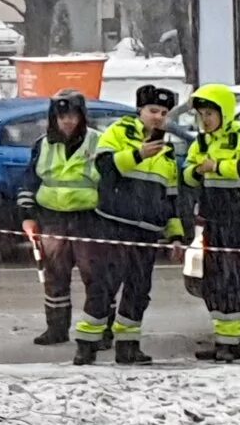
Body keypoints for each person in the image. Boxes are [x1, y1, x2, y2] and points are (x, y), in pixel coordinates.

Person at [77, 84, 187, 365]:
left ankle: (128, 346)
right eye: (152, 111)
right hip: (115, 224)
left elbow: (171, 196)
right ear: (140, 111)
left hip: (148, 231)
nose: (158, 117)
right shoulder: (118, 132)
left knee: (138, 291)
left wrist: (175, 234)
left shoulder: (167, 150)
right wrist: (138, 154)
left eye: (163, 112)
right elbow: (104, 168)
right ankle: (87, 345)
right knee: (104, 287)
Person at [183, 83, 240, 362]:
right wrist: (196, 170)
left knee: (232, 279)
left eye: (210, 113)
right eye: (201, 114)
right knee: (213, 281)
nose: (205, 120)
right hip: (213, 220)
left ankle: (232, 345)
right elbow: (188, 176)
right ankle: (222, 341)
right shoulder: (202, 141)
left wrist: (215, 167)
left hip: (239, 219)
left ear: (224, 112)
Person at [17, 89, 100, 346]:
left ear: (82, 116)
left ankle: (98, 331)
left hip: (89, 218)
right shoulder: (42, 144)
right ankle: (56, 328)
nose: (67, 121)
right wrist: (27, 216)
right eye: (61, 115)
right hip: (52, 218)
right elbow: (30, 181)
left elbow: (110, 182)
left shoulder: (99, 142)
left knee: (96, 276)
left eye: (72, 115)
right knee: (54, 276)